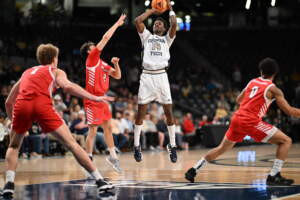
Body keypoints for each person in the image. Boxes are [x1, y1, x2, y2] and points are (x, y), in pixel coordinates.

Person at [2, 43, 115, 197]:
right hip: (42, 104)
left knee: (14, 146)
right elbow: (67, 86)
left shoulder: (27, 72)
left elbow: (9, 102)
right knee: (72, 144)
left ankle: (8, 185)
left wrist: (14, 120)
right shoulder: (55, 70)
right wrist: (95, 97)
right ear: (54, 59)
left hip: (22, 106)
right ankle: (100, 181)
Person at [185, 58, 298, 186]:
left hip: (236, 119)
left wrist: (254, 102)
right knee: (286, 141)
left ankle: (194, 169)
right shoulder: (274, 89)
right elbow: (289, 111)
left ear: (261, 71)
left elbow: (239, 100)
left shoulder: (252, 82)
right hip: (250, 121)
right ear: (275, 74)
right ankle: (274, 175)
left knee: (221, 148)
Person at [80, 14, 126, 173]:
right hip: (92, 99)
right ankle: (88, 160)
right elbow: (106, 37)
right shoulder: (91, 59)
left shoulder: (102, 63)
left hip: (102, 100)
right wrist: (117, 24)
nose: (96, 47)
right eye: (93, 46)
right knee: (92, 130)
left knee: (108, 128)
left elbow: (117, 75)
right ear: (88, 51)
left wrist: (116, 64)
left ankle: (113, 157)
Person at [133, 0, 178, 163]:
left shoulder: (167, 39)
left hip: (161, 77)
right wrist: (152, 10)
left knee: (169, 113)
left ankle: (172, 146)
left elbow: (174, 24)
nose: (157, 25)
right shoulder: (146, 37)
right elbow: (138, 21)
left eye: (160, 24)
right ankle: (136, 145)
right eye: (156, 23)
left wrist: (170, 8)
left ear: (164, 29)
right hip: (146, 76)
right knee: (141, 113)